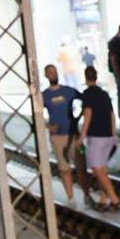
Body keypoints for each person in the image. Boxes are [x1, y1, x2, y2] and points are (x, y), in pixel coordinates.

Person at [77, 65, 120, 211]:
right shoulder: (104, 94)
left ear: (86, 77)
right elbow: (111, 115)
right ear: (96, 77)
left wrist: (81, 136)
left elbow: (88, 114)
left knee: (97, 169)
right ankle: (104, 199)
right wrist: (114, 134)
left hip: (95, 136)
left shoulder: (87, 94)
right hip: (108, 135)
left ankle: (114, 199)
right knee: (102, 169)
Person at [39, 63, 81, 205]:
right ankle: (71, 197)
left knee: (81, 165)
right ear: (46, 76)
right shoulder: (44, 96)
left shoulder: (68, 91)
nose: (53, 74)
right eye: (50, 73)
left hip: (72, 134)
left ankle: (87, 193)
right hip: (57, 137)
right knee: (64, 168)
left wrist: (78, 119)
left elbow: (86, 102)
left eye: (54, 72)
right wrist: (48, 126)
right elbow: (36, 115)